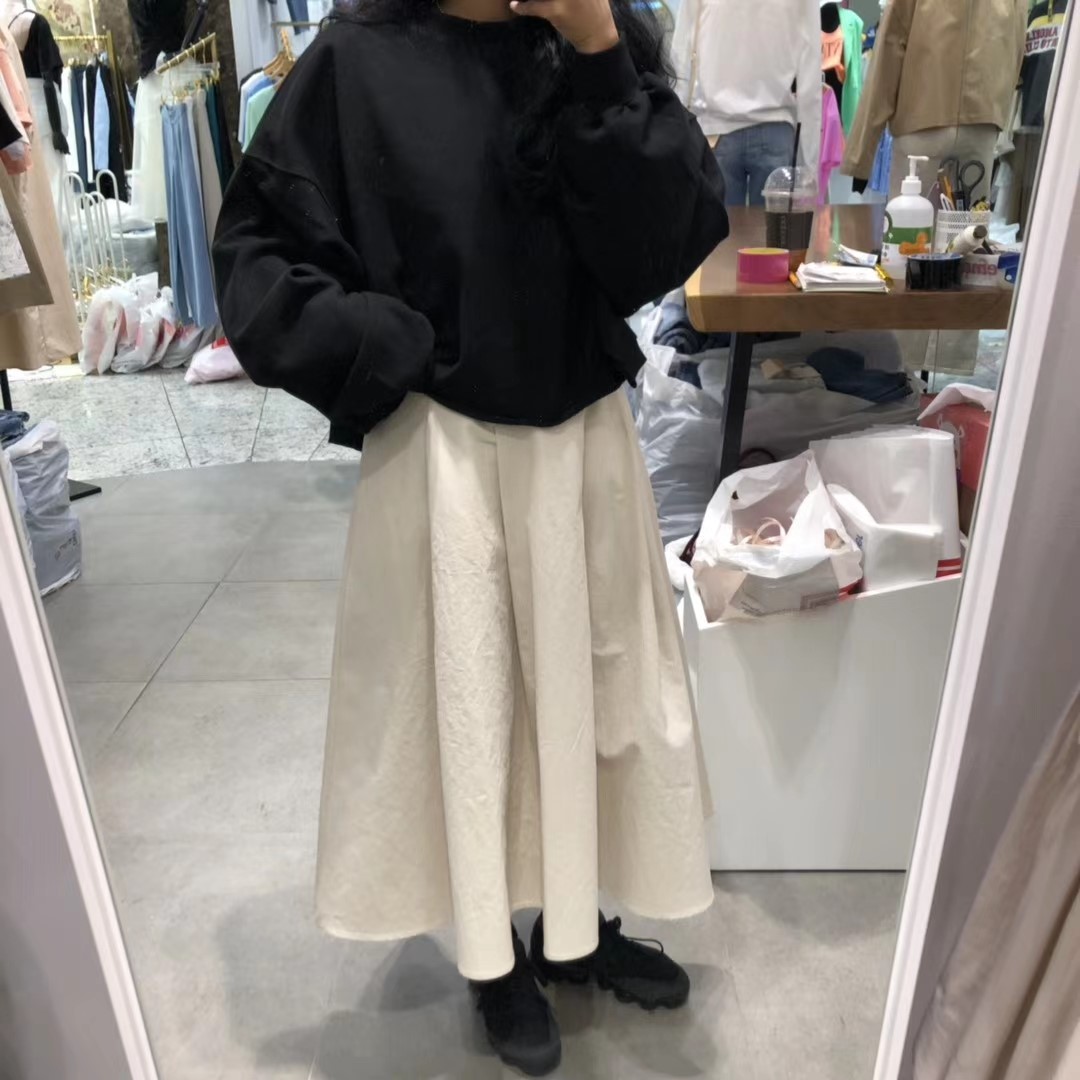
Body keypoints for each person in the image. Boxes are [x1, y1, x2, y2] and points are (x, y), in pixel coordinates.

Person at [212, 0, 729, 1071]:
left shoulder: (591, 35)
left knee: (602, 699)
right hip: (441, 450)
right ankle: (494, 960)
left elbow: (663, 243)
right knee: (472, 708)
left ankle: (580, 926)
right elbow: (256, 254)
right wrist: (375, 341)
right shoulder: (360, 55)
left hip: (584, 439)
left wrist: (597, 49)